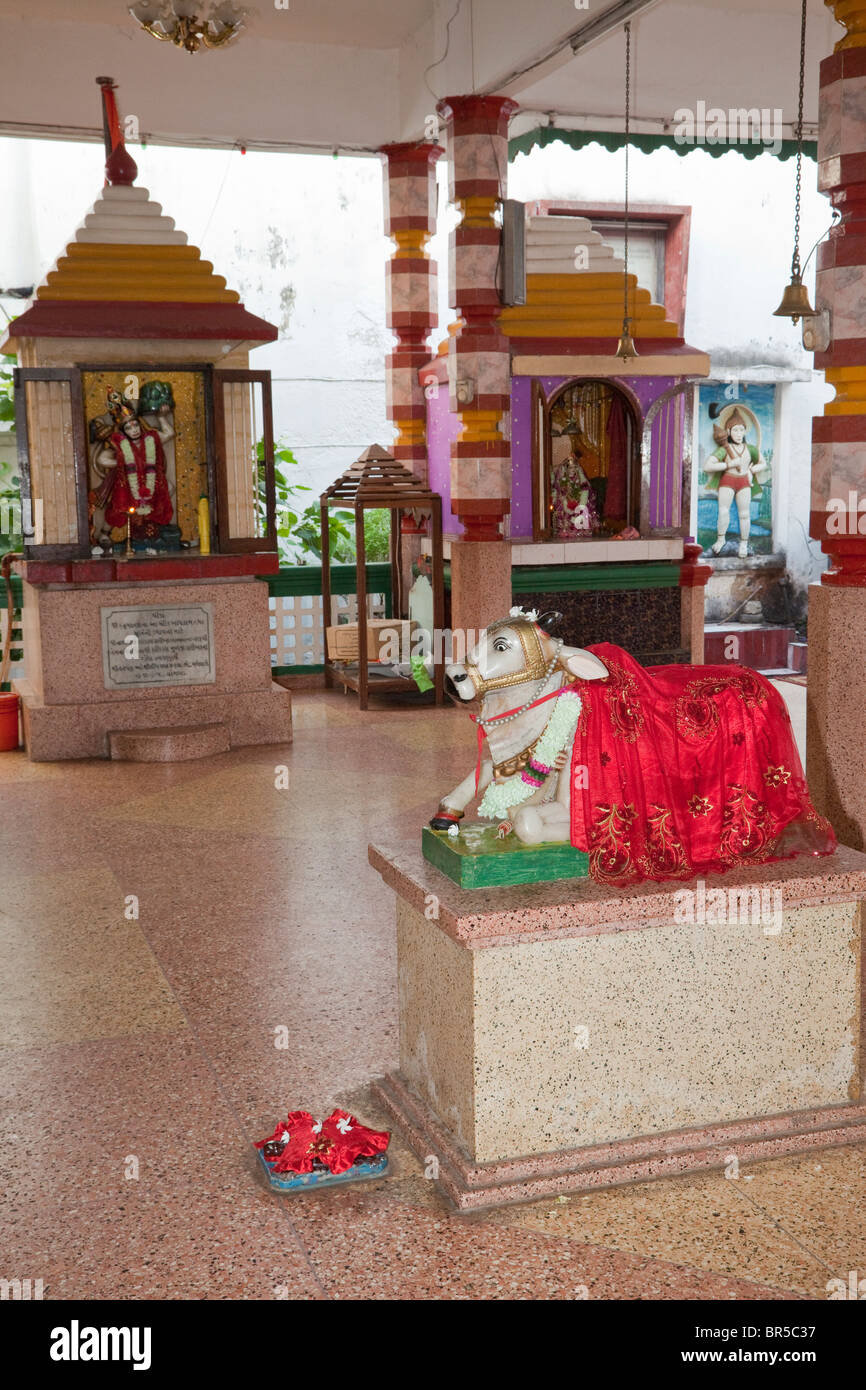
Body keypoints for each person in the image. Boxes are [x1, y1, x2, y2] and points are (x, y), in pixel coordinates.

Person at [103, 394, 174, 539]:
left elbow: (169, 433)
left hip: (151, 480)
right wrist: (122, 462)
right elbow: (101, 459)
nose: (134, 430)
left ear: (140, 424)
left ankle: (156, 524)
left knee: (169, 489)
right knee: (119, 505)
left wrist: (161, 417)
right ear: (124, 432)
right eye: (128, 428)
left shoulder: (150, 437)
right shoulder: (121, 445)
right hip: (129, 484)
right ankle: (105, 533)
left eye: (135, 425)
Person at [702, 407, 766, 559]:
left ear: (745, 431)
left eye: (741, 430)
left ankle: (744, 543)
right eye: (735, 430)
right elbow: (708, 466)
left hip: (744, 481)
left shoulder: (750, 449)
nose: (738, 434)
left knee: (745, 514)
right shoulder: (724, 449)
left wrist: (751, 471)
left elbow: (763, 463)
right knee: (723, 510)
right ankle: (720, 539)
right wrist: (728, 465)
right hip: (728, 480)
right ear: (728, 432)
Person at [550, 433, 601, 537]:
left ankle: (580, 527)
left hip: (579, 507)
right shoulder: (563, 480)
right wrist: (565, 504)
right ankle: (566, 528)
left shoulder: (581, 481)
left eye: (573, 468)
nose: (571, 471)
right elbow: (559, 493)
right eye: (569, 468)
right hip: (567, 508)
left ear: (577, 469)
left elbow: (585, 493)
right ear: (566, 469)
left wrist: (579, 507)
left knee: (584, 509)